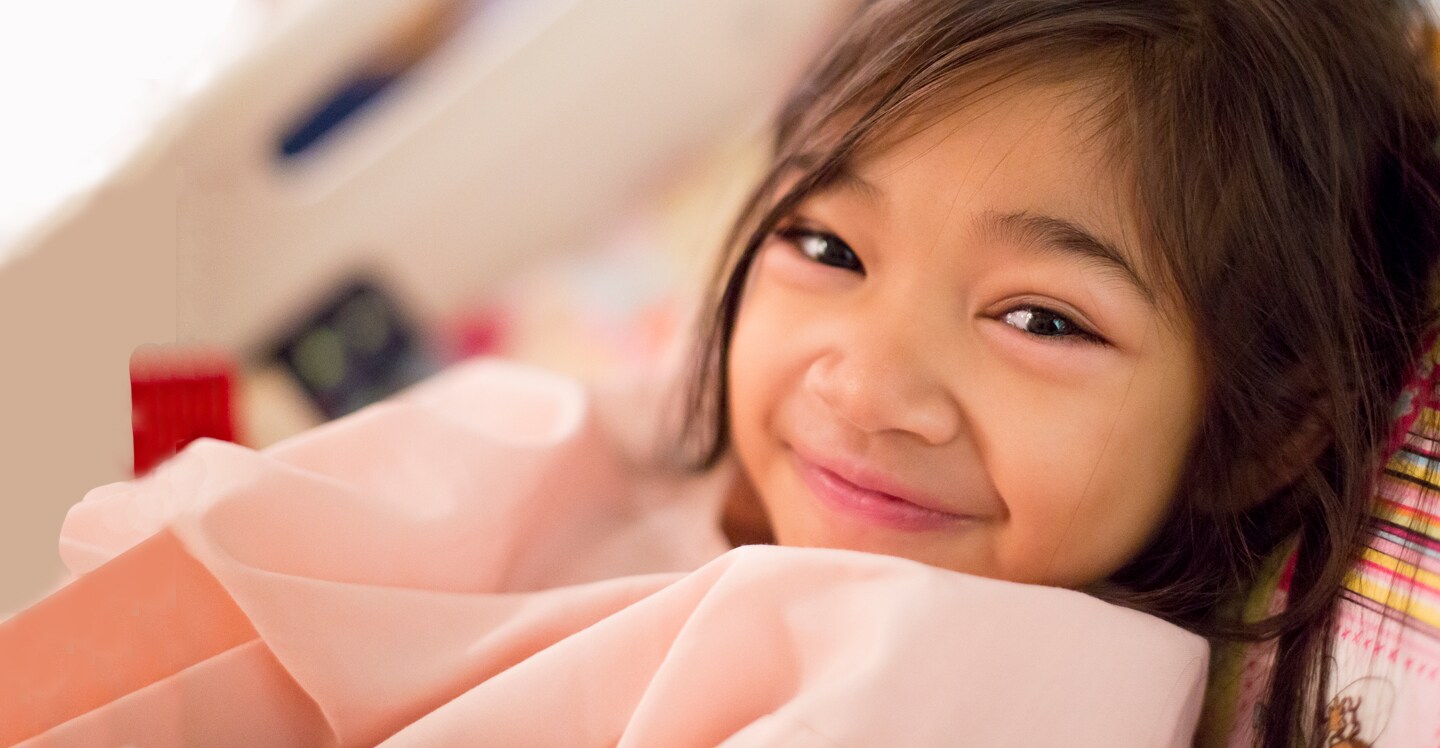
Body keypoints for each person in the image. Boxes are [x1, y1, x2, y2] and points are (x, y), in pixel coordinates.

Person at [4, 0, 1440, 746]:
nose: (869, 384)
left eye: (1042, 322)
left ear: (1265, 429)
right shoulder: (634, 439)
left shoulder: (994, 677)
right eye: (825, 244)